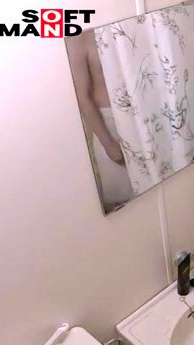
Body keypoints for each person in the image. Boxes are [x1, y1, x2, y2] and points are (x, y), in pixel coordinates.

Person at [67, 29, 134, 211]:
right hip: (108, 123)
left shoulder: (123, 22)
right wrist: (108, 143)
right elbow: (82, 96)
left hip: (142, 116)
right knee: (122, 202)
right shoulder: (77, 38)